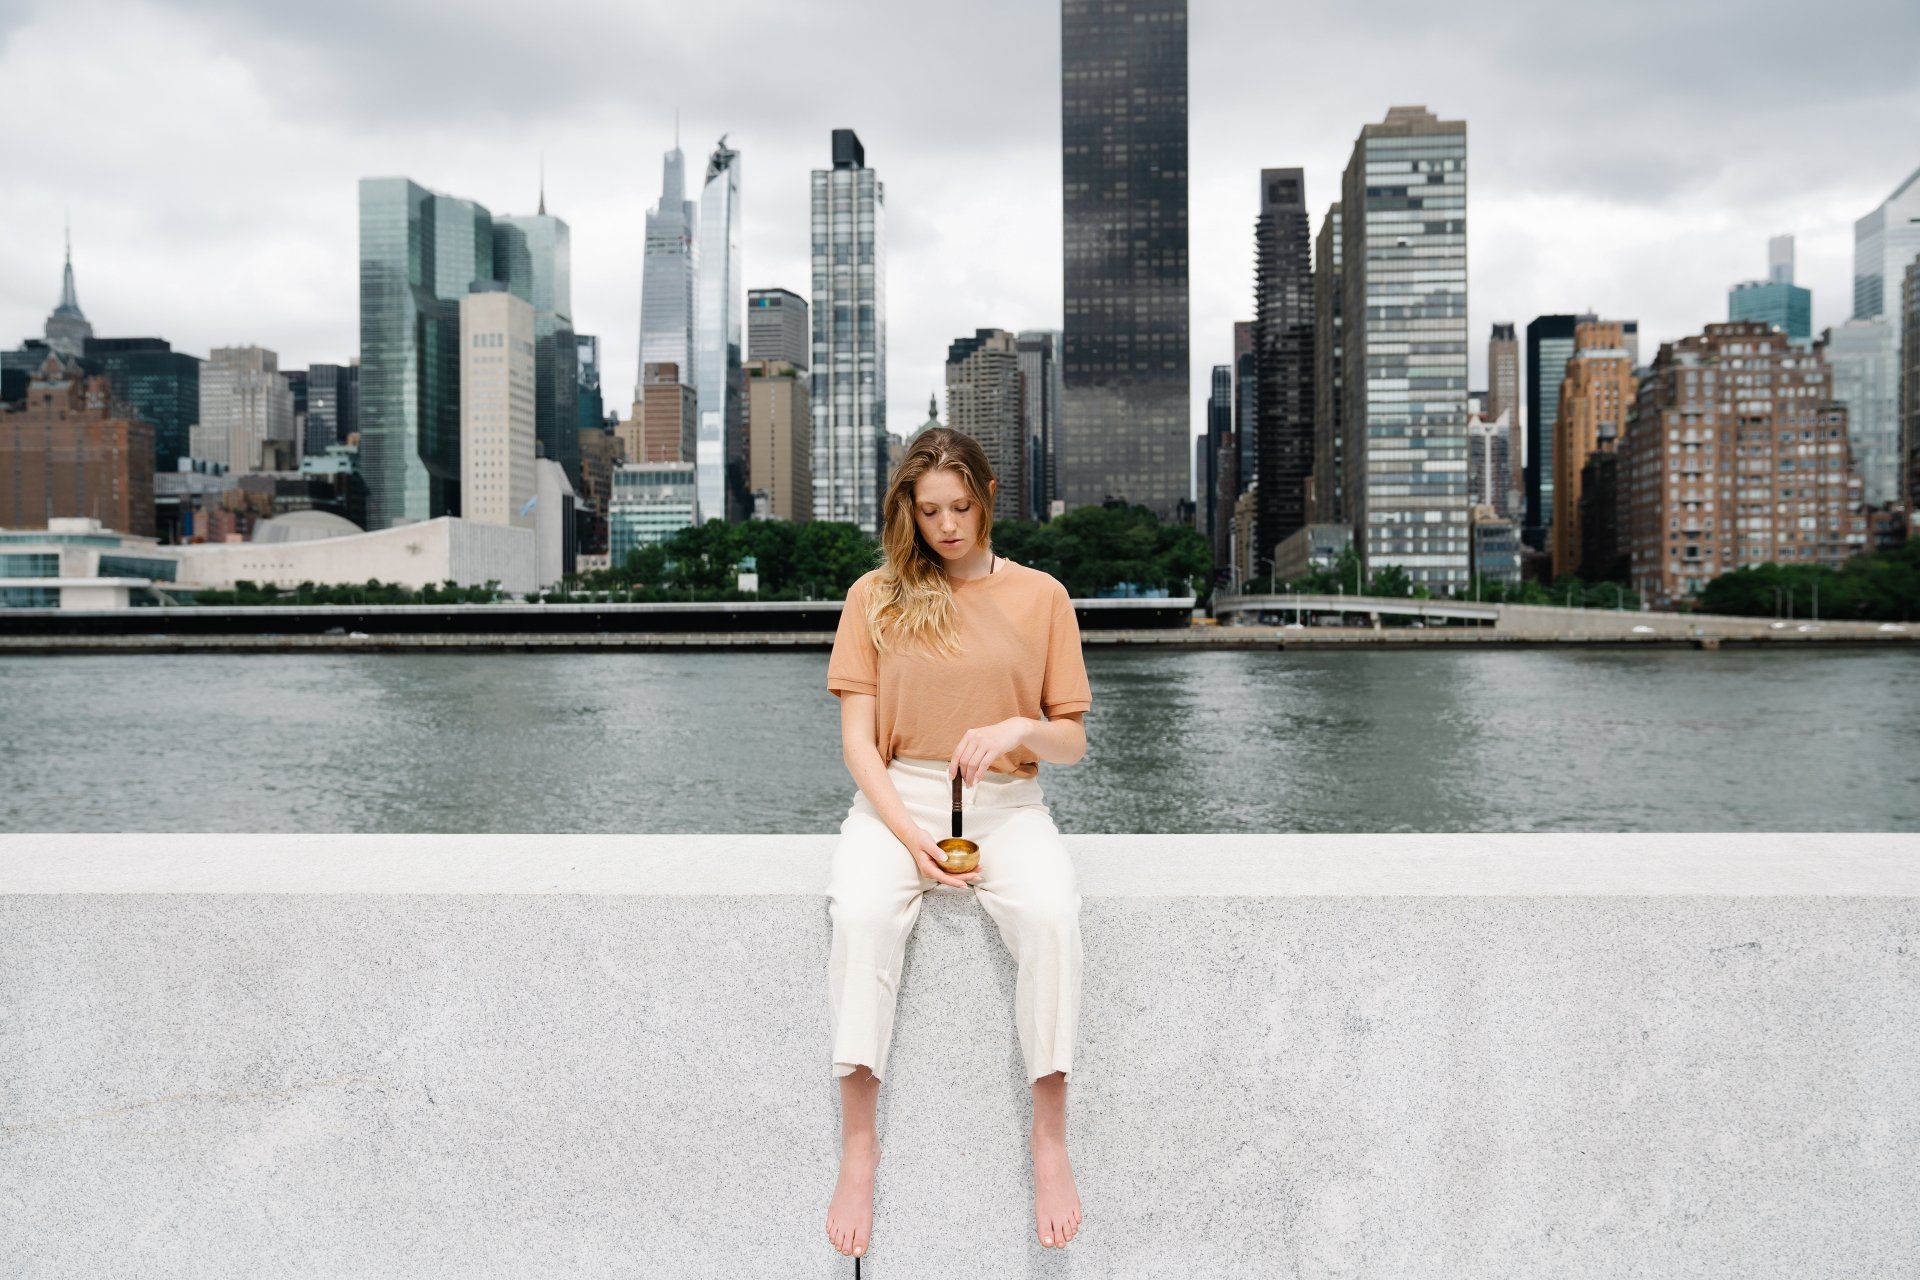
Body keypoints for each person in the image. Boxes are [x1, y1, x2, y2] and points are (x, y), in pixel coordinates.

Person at [822, 428, 1091, 1260]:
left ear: (990, 496)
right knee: (861, 917)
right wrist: (908, 838)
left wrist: (1019, 726)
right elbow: (860, 746)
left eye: (961, 506)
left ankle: (1050, 1140)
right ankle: (859, 1147)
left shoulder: (1043, 596)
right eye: (929, 509)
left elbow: (1072, 741)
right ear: (909, 508)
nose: (946, 525)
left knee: (1051, 920)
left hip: (1006, 802)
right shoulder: (876, 594)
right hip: (896, 799)